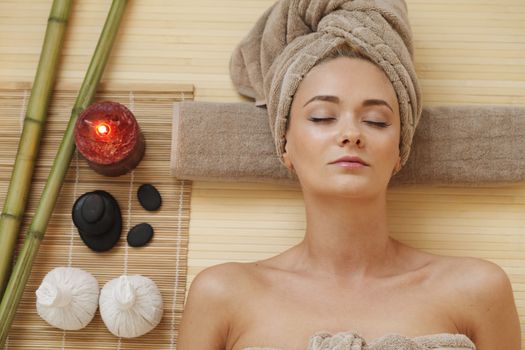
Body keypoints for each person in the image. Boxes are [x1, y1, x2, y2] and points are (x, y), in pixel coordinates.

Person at [178, 1, 521, 349]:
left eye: (375, 121)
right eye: (322, 117)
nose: (351, 134)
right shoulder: (221, 296)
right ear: (286, 145)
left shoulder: (478, 290)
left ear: (400, 151)